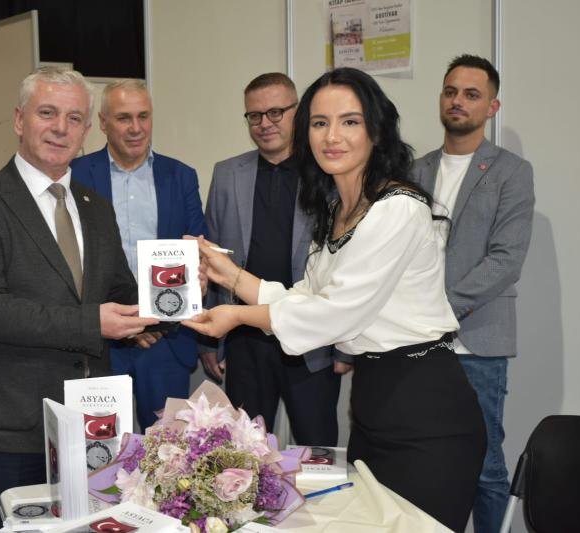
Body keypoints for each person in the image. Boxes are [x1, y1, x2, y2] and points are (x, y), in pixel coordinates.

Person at [183, 67, 486, 532]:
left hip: (426, 411)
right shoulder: (336, 211)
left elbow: (333, 315)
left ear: (376, 130)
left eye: (350, 121)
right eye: (320, 123)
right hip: (374, 403)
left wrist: (237, 315)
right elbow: (306, 296)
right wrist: (230, 274)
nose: (332, 136)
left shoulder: (397, 208)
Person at [0, 66, 158, 533]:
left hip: (91, 427)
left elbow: (118, 290)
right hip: (7, 429)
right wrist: (93, 324)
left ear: (87, 129)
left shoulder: (95, 207)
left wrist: (172, 295)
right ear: (20, 120)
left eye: (74, 118)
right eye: (47, 113)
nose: (61, 128)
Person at [411, 54, 535, 533]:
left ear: (492, 107)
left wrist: (441, 308)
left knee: (483, 467)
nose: (457, 101)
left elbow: (506, 260)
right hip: (415, 342)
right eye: (450, 91)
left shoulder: (511, 171)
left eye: (471, 94)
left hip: (476, 341)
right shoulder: (413, 170)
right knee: (424, 461)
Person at [200, 72, 341, 444]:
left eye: (276, 112)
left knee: (317, 448)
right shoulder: (227, 174)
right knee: (244, 452)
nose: (265, 123)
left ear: (298, 112)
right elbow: (213, 259)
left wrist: (345, 348)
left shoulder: (328, 173)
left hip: (311, 340)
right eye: (255, 115)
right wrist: (212, 342)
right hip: (245, 338)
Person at [72, 79, 207, 430]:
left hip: (165, 341)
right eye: (123, 118)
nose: (136, 128)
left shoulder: (181, 176)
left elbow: (198, 250)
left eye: (143, 116)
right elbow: (70, 260)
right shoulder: (75, 177)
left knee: (169, 451)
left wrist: (159, 319)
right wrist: (127, 325)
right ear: (103, 123)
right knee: (102, 452)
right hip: (101, 343)